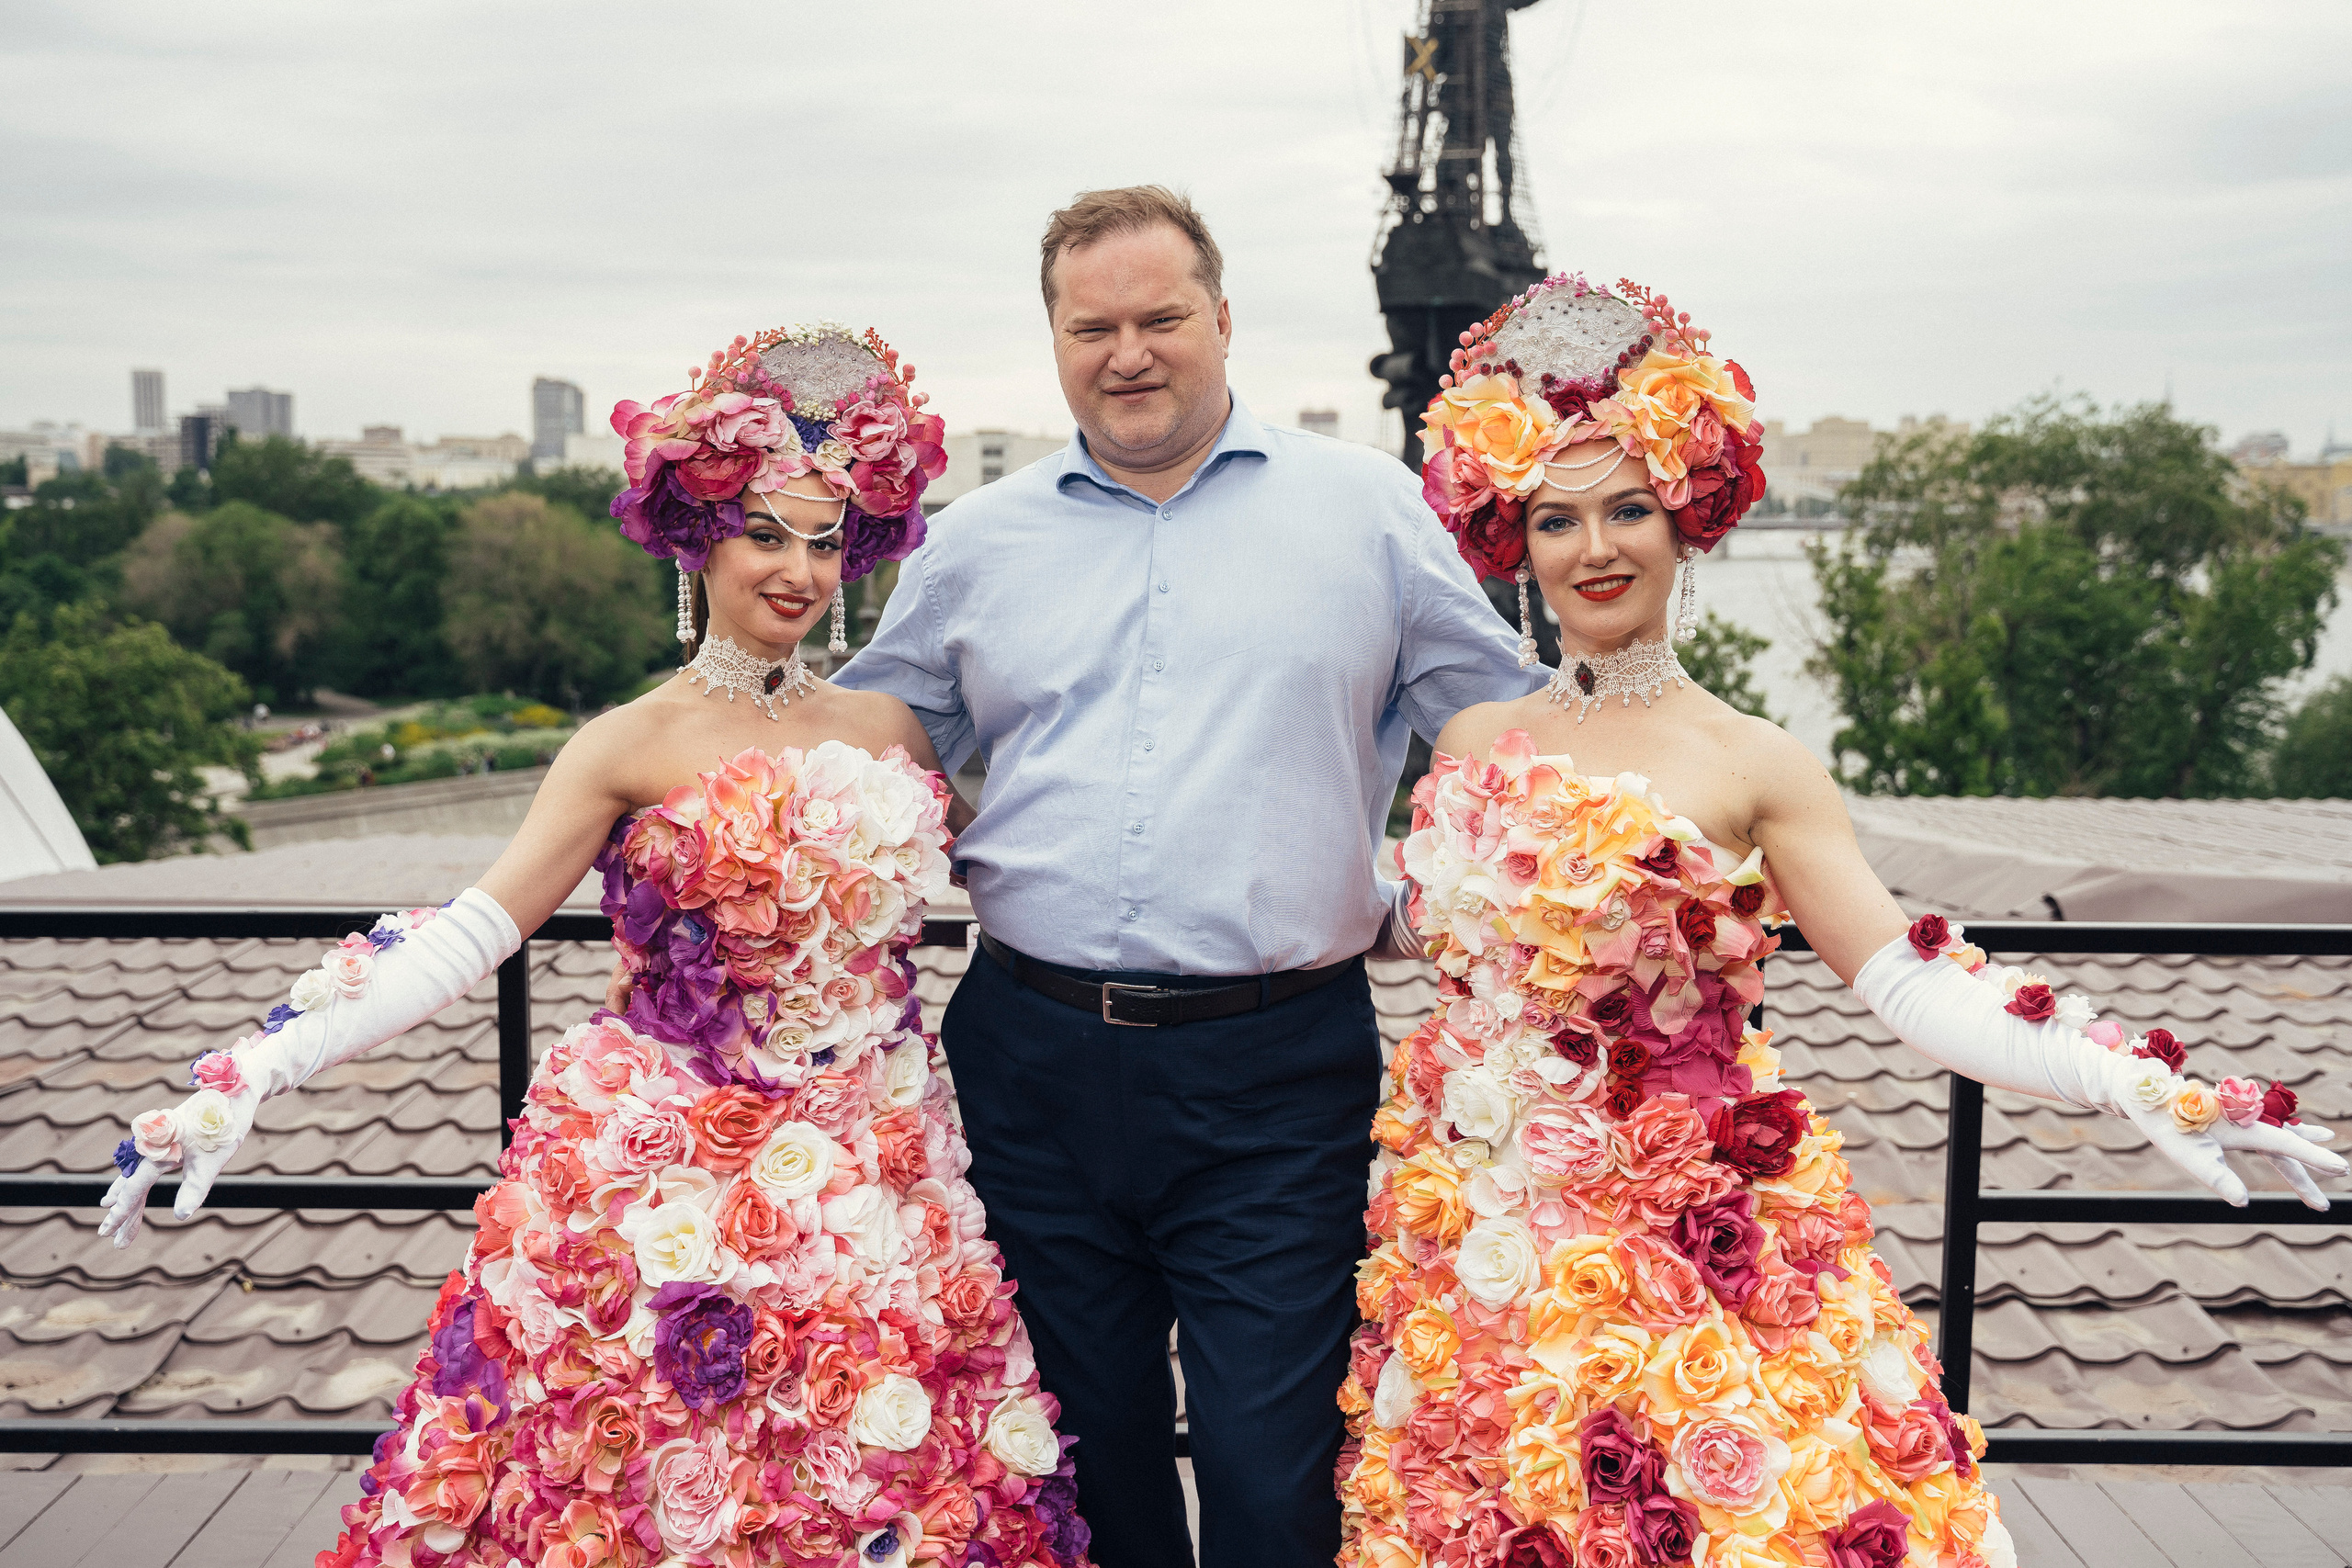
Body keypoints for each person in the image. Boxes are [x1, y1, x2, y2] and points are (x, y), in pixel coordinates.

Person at [1335, 273, 2348, 1567]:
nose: (1595, 550)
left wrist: (2136, 1085)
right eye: (1557, 519)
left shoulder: (1755, 760)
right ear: (1514, 542)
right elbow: (1421, 933)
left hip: (1685, 1242)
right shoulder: (1476, 739)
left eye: (1629, 509)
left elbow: (1909, 980)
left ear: (1686, 519)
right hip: (1478, 1235)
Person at [96, 325, 1100, 1568]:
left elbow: (1046, 858)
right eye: (765, 534)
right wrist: (253, 1074)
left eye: (824, 540)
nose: (798, 572)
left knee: (876, 1486)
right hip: (669, 1185)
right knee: (652, 1501)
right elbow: (476, 928)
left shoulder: (891, 723)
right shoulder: (627, 741)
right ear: (699, 540)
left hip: (875, 1184)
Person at [831, 186, 1545, 1567]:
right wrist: (681, 731)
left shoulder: (1371, 515)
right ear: (1054, 340)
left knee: (1276, 1482)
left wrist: (1663, 768)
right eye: (1092, 326)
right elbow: (864, 746)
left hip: (1276, 1076)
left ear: (1223, 320)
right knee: (1078, 1475)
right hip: (1028, 1063)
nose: (1129, 352)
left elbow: (1500, 740)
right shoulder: (971, 545)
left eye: (1162, 318)